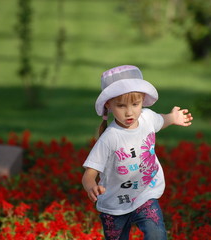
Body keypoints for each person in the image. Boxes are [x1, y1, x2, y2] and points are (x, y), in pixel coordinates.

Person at [82, 65, 193, 240]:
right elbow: (89, 174)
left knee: (157, 234)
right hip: (114, 205)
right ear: (109, 105)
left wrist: (173, 117)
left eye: (135, 104)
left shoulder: (147, 118)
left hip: (145, 195)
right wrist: (91, 187)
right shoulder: (109, 138)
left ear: (142, 100)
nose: (129, 112)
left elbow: (161, 120)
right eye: (121, 105)